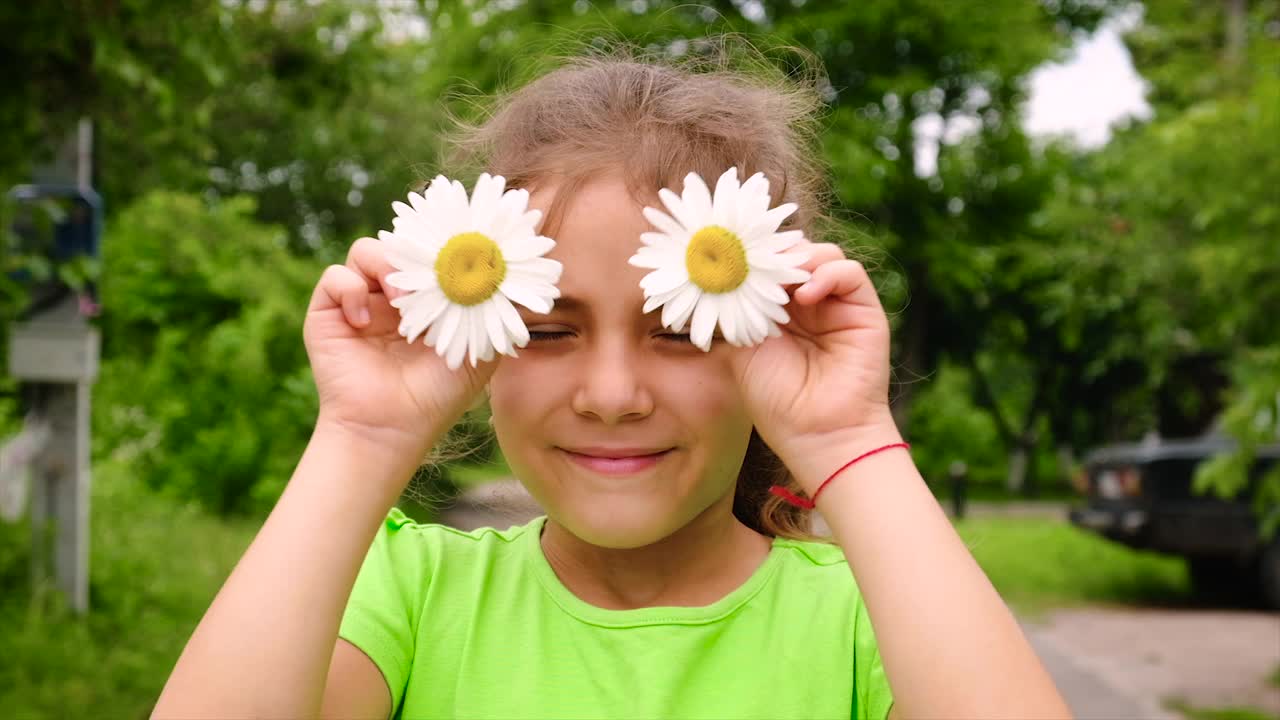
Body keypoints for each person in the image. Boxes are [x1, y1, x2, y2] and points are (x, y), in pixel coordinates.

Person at [153, 50, 1071, 720]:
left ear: (773, 333)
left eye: (679, 329)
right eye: (550, 329)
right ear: (478, 336)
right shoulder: (410, 594)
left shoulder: (868, 625)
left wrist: (845, 439)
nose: (611, 392)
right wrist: (362, 437)